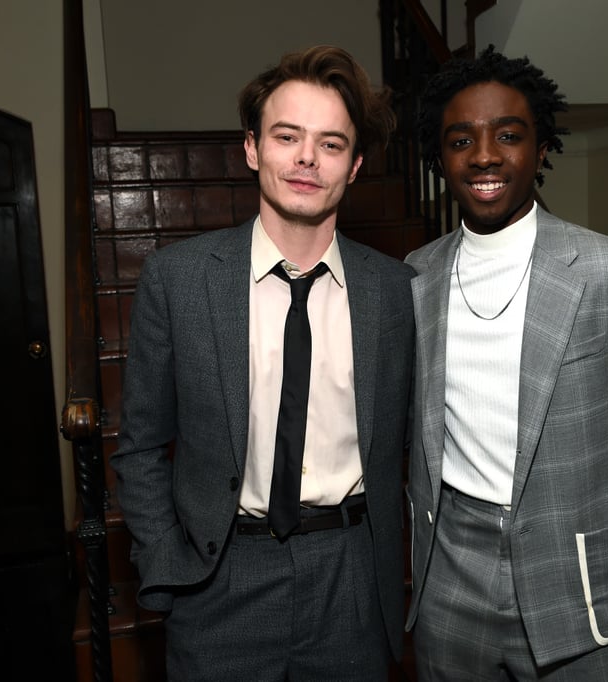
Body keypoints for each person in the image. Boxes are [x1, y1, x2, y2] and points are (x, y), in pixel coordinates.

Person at [110, 45, 415, 681]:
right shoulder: (177, 280)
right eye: (287, 136)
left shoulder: (395, 292)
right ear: (252, 149)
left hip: (352, 577)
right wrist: (168, 561)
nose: (307, 158)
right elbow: (139, 447)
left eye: (331, 144)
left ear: (355, 166)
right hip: (219, 578)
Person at [404, 46, 608, 682]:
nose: (484, 156)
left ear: (540, 150)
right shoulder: (415, 279)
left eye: (508, 135)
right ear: (440, 157)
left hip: (581, 589)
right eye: (461, 140)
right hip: (449, 583)